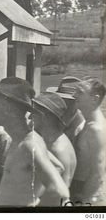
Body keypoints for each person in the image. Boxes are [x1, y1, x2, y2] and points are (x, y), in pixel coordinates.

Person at [0, 77, 69, 206]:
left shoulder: (29, 145)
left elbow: (60, 192)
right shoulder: (19, 140)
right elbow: (58, 166)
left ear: (7, 107)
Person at [32, 92, 77, 206]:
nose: (30, 117)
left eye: (33, 113)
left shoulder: (57, 149)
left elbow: (54, 196)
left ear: (44, 116)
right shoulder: (55, 141)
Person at [70, 78, 106, 206]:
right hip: (81, 189)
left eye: (79, 92)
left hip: (87, 194)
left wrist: (83, 203)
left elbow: (98, 174)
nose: (74, 95)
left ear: (94, 99)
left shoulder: (95, 129)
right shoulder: (88, 123)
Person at [46, 76, 85, 144]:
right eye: (60, 99)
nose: (62, 104)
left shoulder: (80, 128)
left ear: (77, 102)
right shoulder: (58, 117)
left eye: (69, 101)